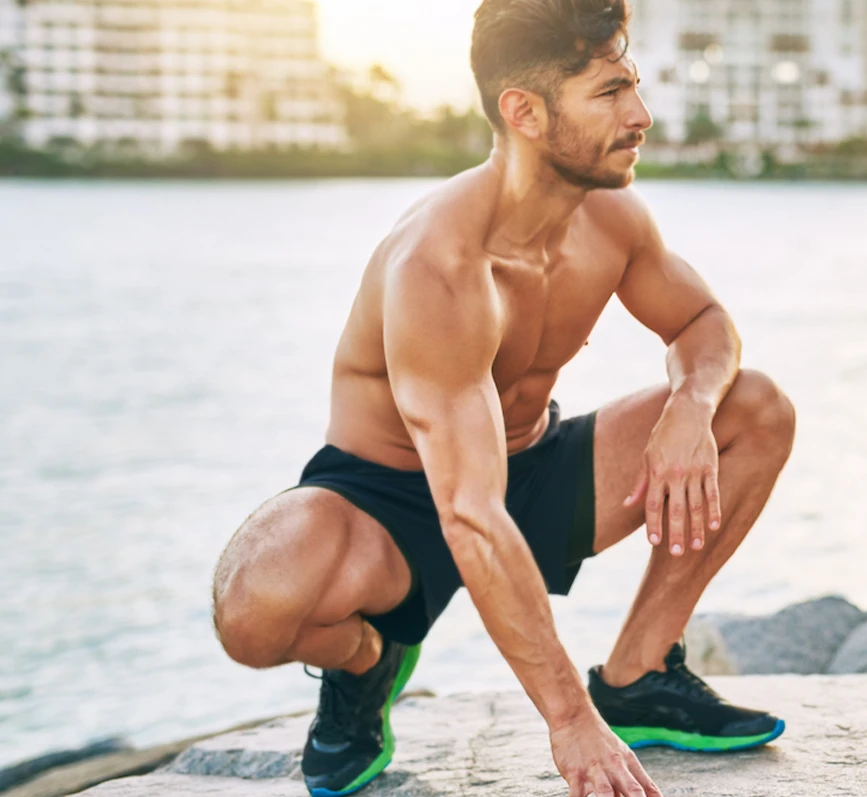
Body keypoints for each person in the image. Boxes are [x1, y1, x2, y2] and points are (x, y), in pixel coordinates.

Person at [211, 1, 796, 795]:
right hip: (393, 501)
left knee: (753, 408)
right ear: (523, 111)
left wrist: (690, 407)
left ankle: (640, 673)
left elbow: (702, 321)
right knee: (252, 606)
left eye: (633, 86)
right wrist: (566, 721)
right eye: (609, 94)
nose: (641, 116)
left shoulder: (611, 214)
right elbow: (468, 513)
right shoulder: (440, 266)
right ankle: (367, 663)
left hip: (532, 466)